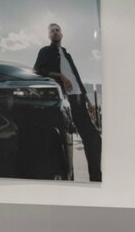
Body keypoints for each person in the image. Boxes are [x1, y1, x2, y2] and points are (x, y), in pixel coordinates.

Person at [34, 23, 102, 182]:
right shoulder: (45, 51)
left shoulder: (67, 54)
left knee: (94, 139)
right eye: (52, 31)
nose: (55, 32)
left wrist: (88, 101)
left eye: (57, 30)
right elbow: (37, 70)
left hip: (79, 99)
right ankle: (65, 179)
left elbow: (76, 77)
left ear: (62, 34)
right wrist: (60, 76)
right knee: (64, 140)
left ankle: (96, 179)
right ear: (49, 35)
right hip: (64, 100)